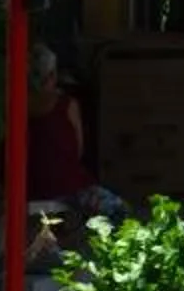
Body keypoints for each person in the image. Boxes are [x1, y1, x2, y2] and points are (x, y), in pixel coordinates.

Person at [24, 47, 124, 220]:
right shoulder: (67, 105)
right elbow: (78, 150)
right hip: (67, 187)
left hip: (30, 186)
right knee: (119, 210)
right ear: (52, 75)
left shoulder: (15, 105)